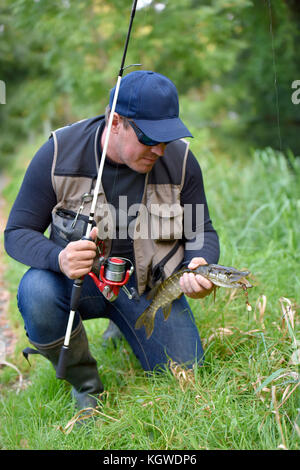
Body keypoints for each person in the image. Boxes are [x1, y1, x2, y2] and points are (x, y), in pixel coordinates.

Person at [4, 70, 220, 411]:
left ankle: (124, 326)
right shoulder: (58, 153)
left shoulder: (181, 162)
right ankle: (85, 384)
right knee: (36, 291)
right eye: (150, 138)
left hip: (150, 288)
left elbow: (201, 231)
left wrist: (201, 263)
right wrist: (59, 259)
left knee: (187, 378)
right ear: (116, 121)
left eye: (168, 137)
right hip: (80, 282)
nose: (160, 150)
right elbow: (16, 233)